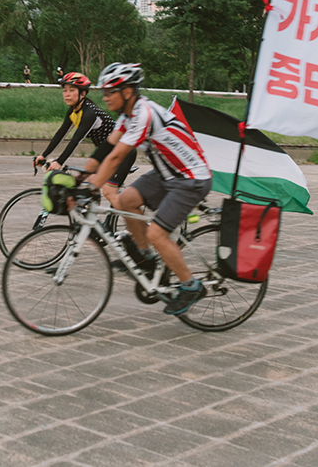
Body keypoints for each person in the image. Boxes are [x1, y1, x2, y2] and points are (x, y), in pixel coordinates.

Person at [84, 62, 212, 316]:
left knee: (157, 234)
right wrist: (83, 176)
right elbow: (105, 149)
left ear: (128, 92)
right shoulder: (127, 116)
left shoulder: (144, 114)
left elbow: (117, 157)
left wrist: (91, 187)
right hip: (167, 174)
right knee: (125, 201)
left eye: (111, 91)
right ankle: (147, 259)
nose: (105, 97)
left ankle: (191, 285)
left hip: (190, 178)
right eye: (104, 92)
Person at [34, 72, 136, 203]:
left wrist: (59, 161)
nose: (67, 94)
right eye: (65, 90)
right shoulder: (73, 111)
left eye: (72, 90)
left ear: (83, 94)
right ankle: (94, 222)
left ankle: (120, 217)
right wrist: (44, 155)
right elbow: (61, 134)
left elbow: (76, 140)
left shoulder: (90, 113)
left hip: (123, 153)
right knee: (91, 184)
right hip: (104, 153)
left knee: (108, 191)